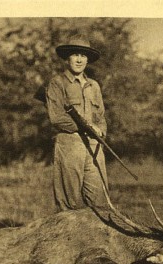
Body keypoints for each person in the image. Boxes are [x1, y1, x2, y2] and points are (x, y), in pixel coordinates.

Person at [46, 34, 108, 211]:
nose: (79, 59)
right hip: (70, 144)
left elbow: (101, 117)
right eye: (75, 54)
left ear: (87, 59)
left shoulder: (94, 86)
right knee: (69, 203)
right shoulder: (57, 83)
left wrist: (100, 131)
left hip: (95, 145)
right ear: (67, 58)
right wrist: (85, 127)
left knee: (100, 200)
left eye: (83, 55)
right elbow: (57, 117)